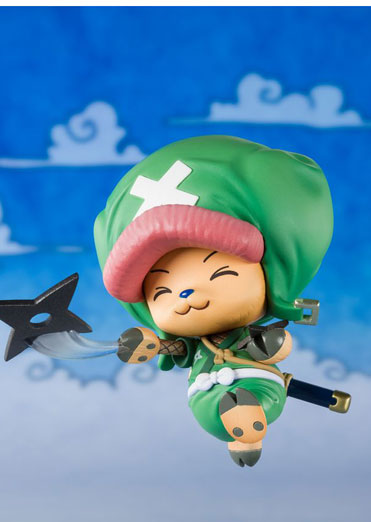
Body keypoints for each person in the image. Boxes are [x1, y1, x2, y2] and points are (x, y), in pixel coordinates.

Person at [93, 135, 334, 467]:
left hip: (255, 377)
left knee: (262, 394)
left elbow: (273, 347)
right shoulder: (194, 344)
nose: (185, 294)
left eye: (219, 272)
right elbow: (176, 349)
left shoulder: (245, 335)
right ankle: (235, 425)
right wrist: (149, 346)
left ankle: (249, 423)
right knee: (211, 411)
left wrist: (271, 345)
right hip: (205, 389)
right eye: (162, 291)